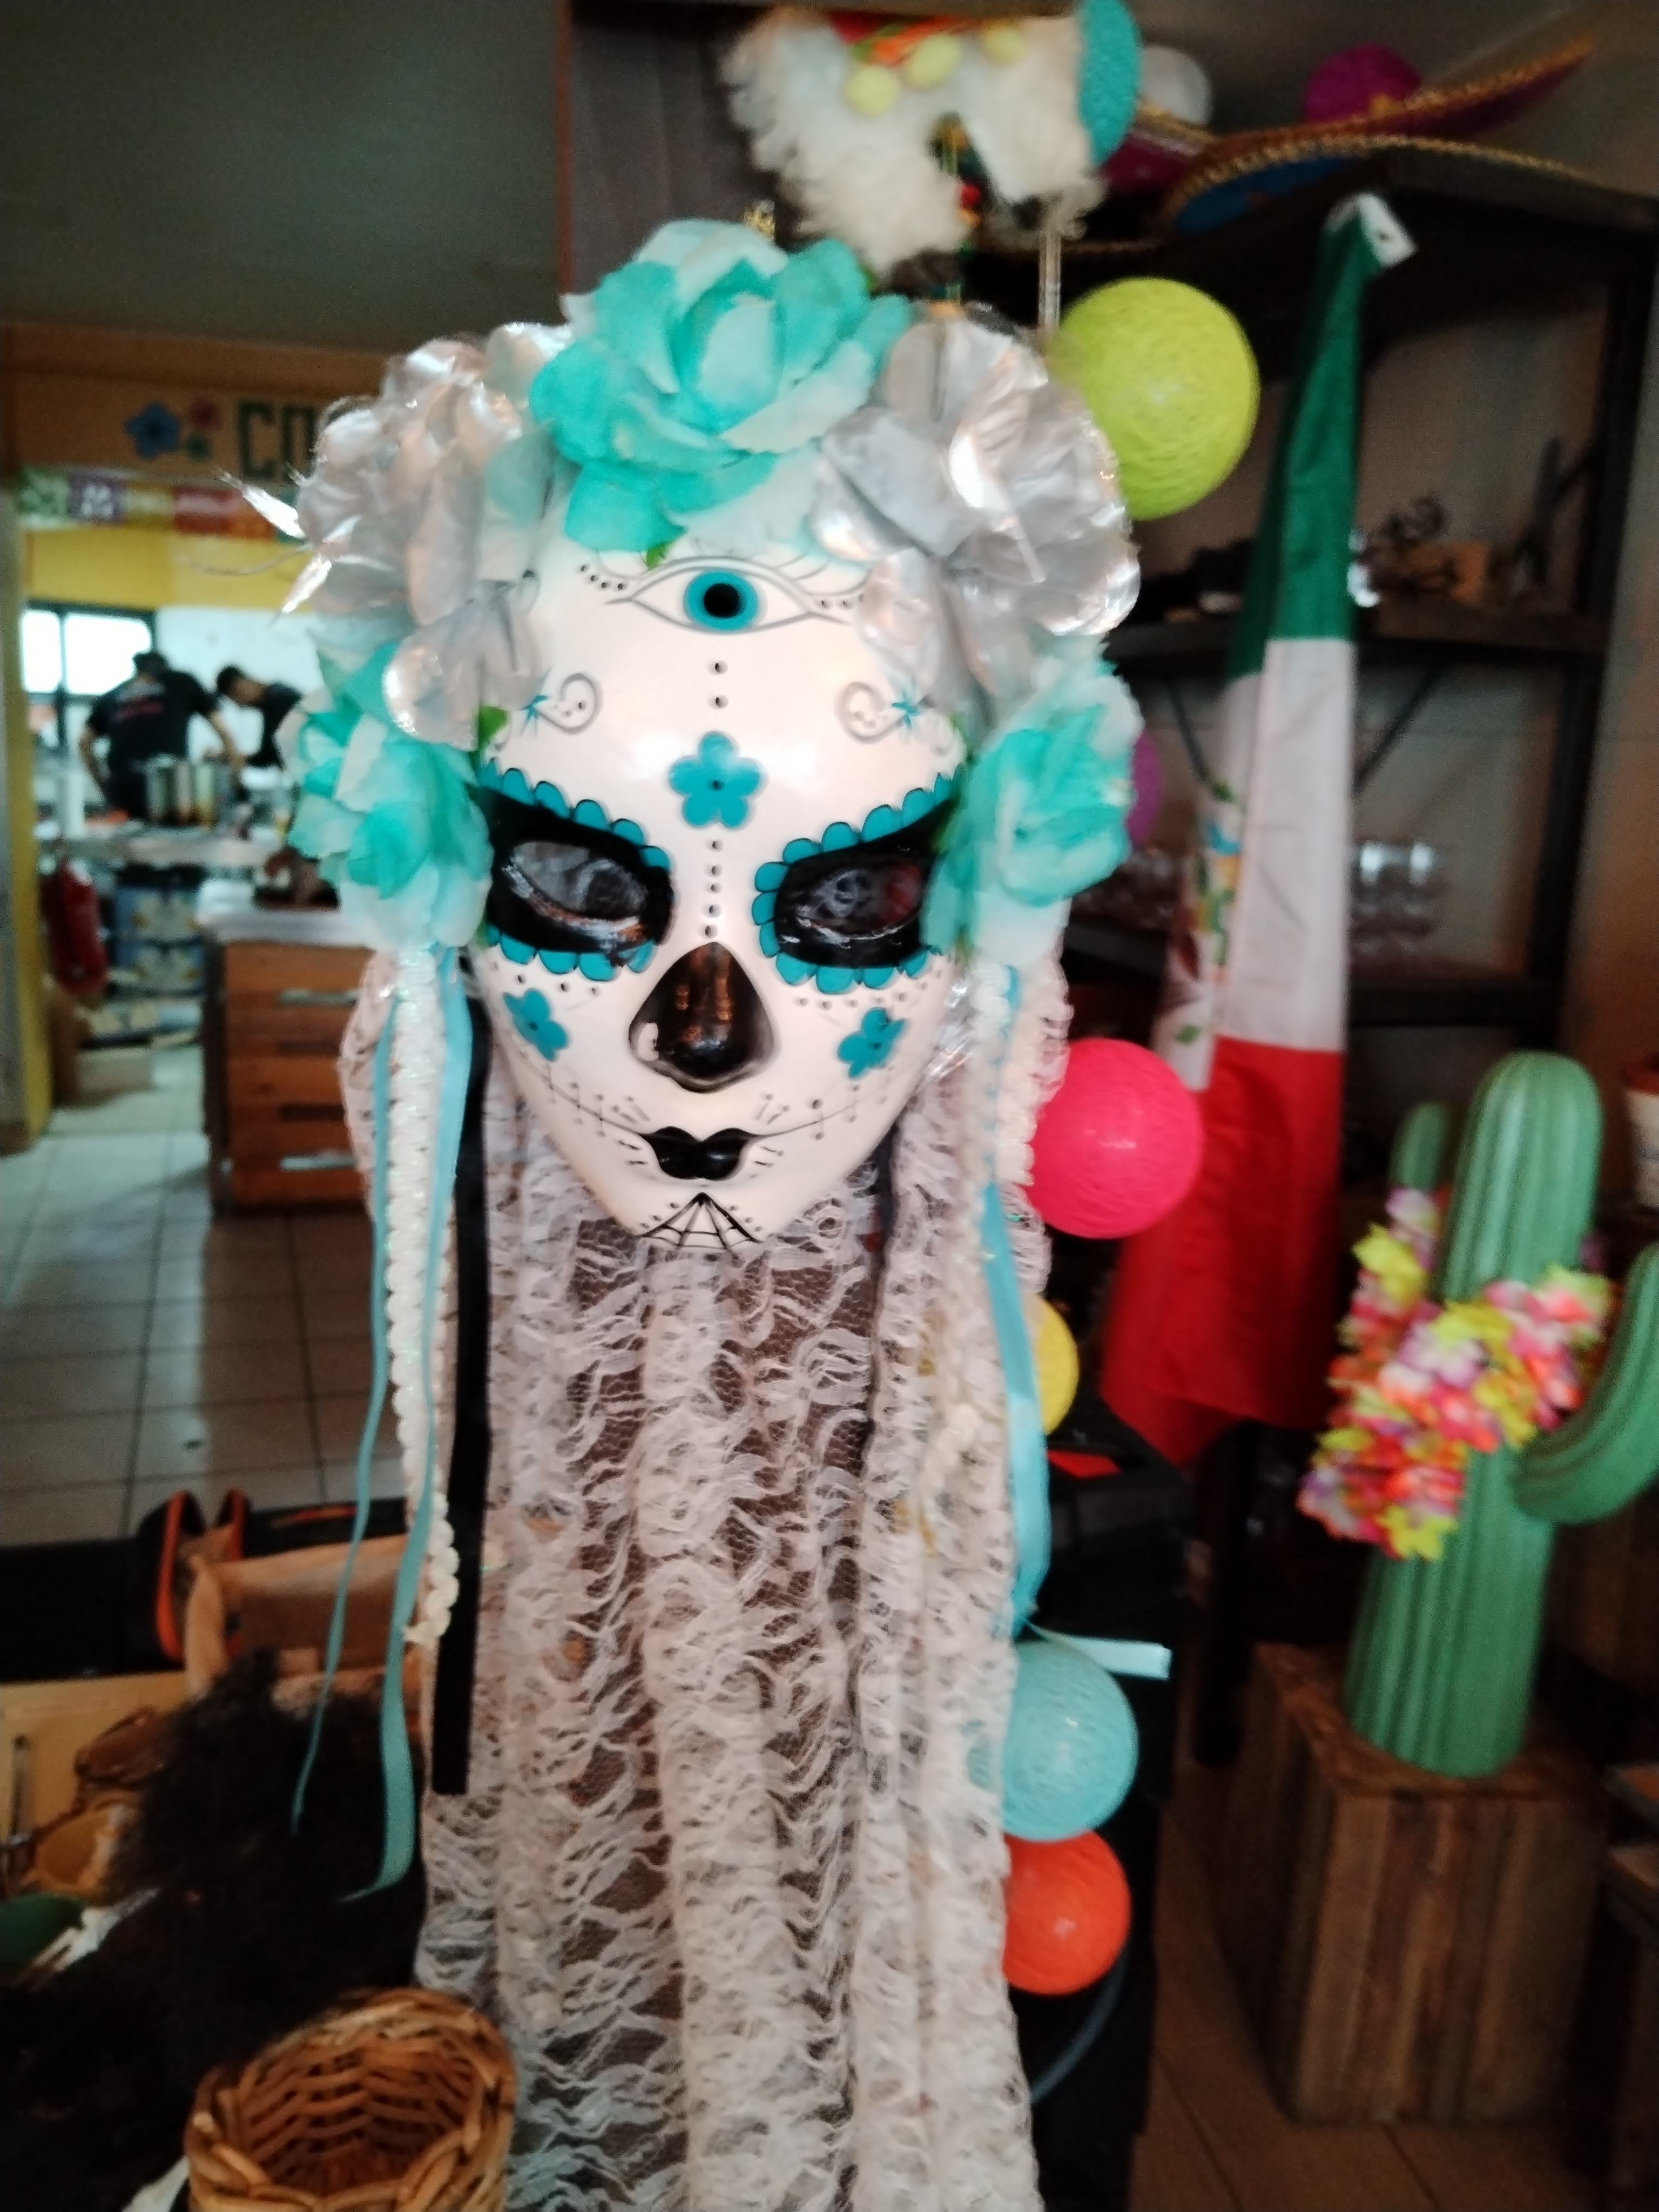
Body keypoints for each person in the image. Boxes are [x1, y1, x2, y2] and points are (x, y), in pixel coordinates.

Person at [79, 649, 244, 818]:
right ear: (166, 667)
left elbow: (84, 742)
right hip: (170, 789)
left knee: (128, 834)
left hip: (123, 789)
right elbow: (224, 732)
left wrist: (104, 786)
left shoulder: (113, 695)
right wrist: (236, 780)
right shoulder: (181, 681)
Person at [215, 664, 302, 770]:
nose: (240, 706)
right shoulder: (275, 697)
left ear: (239, 687)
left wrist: (237, 758)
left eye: (234, 698)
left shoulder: (278, 700)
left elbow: (272, 753)